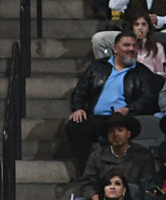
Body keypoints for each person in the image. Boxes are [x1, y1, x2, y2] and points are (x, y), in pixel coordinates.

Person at [67, 32, 160, 172]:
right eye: (126, 45)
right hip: (96, 117)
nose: (131, 49)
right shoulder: (97, 67)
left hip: (123, 118)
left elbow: (149, 99)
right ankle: (87, 171)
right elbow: (80, 91)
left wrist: (128, 108)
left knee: (118, 128)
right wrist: (78, 108)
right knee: (75, 125)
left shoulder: (142, 72)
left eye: (134, 46)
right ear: (115, 49)